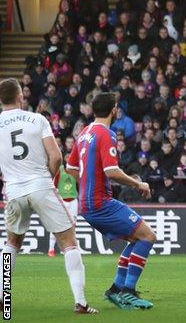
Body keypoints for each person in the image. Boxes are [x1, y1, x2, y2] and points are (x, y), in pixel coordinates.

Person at [0, 78, 98, 314]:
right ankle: (81, 301)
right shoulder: (37, 119)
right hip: (41, 185)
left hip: (14, 190)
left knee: (11, 244)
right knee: (68, 242)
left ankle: (2, 296)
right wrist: (48, 177)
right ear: (20, 96)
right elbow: (56, 158)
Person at [66, 92, 156, 310]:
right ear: (114, 109)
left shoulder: (84, 133)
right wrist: (139, 184)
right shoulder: (107, 134)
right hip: (100, 202)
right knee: (148, 236)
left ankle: (116, 289)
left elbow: (70, 169)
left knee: (136, 239)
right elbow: (112, 171)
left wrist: (88, 183)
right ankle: (128, 291)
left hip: (87, 203)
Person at [48, 154, 81, 257]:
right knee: (57, 225)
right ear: (65, 160)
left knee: (72, 226)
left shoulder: (77, 171)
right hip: (62, 200)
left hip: (73, 201)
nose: (70, 160)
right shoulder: (60, 170)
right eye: (68, 158)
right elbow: (54, 185)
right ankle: (51, 249)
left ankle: (69, 249)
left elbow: (80, 185)